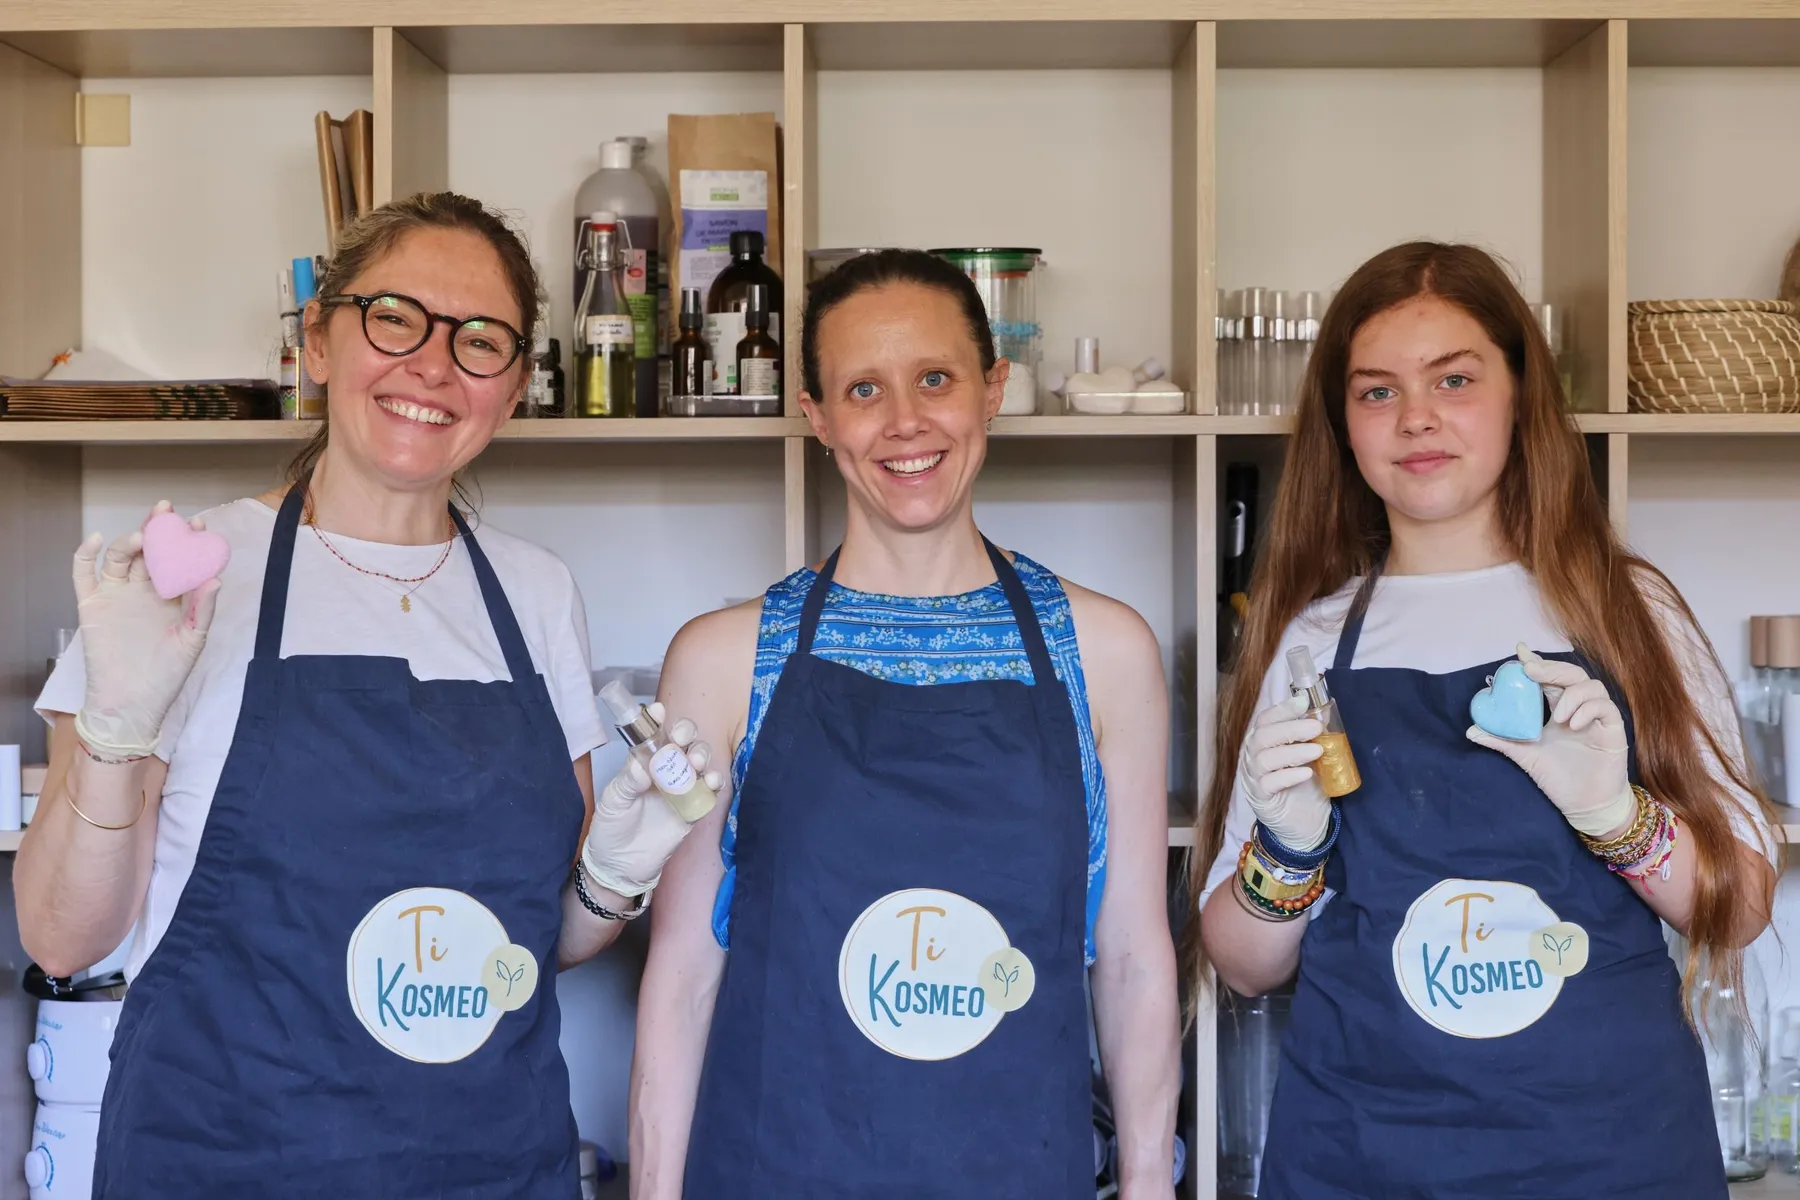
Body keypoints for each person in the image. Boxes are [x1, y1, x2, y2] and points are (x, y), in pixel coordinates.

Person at [19, 193, 714, 1196]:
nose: (434, 364)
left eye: (482, 341)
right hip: (225, 1160)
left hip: (488, 1165)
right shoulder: (190, 572)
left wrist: (615, 872)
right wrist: (115, 732)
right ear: (318, 338)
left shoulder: (534, 595)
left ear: (514, 387)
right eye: (396, 318)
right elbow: (61, 936)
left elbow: (534, 940)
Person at [1190, 241, 1778, 1198]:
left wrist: (1614, 816)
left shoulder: (1628, 610)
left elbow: (1740, 904)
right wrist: (1288, 851)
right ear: (1343, 425)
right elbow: (1243, 964)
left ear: (1520, 394)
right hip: (1363, 1151)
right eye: (1376, 392)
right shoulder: (1315, 636)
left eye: (1454, 379)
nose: (1416, 417)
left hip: (1609, 1151)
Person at [628, 250, 1181, 1198]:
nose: (905, 421)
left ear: (992, 389)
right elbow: (681, 980)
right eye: (862, 388)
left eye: (935, 378)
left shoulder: (1107, 651)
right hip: (777, 1167)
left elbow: (1131, 957)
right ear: (818, 418)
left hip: (1017, 1168)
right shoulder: (724, 659)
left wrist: (1147, 1185)